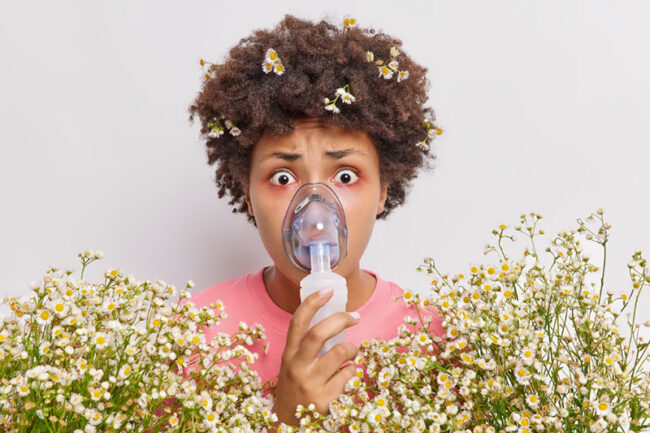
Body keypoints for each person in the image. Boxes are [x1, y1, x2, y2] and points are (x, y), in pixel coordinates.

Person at [186, 14, 445, 428]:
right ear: (247, 193)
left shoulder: (438, 341)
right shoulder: (190, 335)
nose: (316, 215)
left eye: (345, 176)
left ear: (383, 189)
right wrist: (286, 422)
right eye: (282, 178)